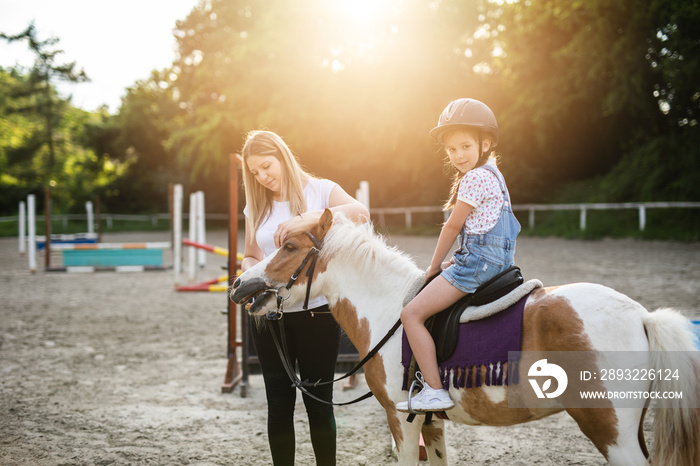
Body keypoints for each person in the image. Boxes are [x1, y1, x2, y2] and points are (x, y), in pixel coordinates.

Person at [240, 130, 369, 465]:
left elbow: (361, 213)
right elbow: (252, 255)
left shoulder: (321, 191)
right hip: (270, 316)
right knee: (279, 405)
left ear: (282, 156)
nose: (262, 177)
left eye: (267, 166)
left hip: (317, 314)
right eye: (255, 172)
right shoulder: (256, 205)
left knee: (319, 403)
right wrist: (247, 274)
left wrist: (316, 216)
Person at [396, 98, 521, 412]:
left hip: (477, 266)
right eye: (452, 150)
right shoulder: (496, 175)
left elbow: (452, 227)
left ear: (485, 142)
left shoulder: (474, 178)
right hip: (499, 263)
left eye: (465, 146)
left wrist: (433, 267)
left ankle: (435, 391)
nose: (458, 156)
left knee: (411, 314)